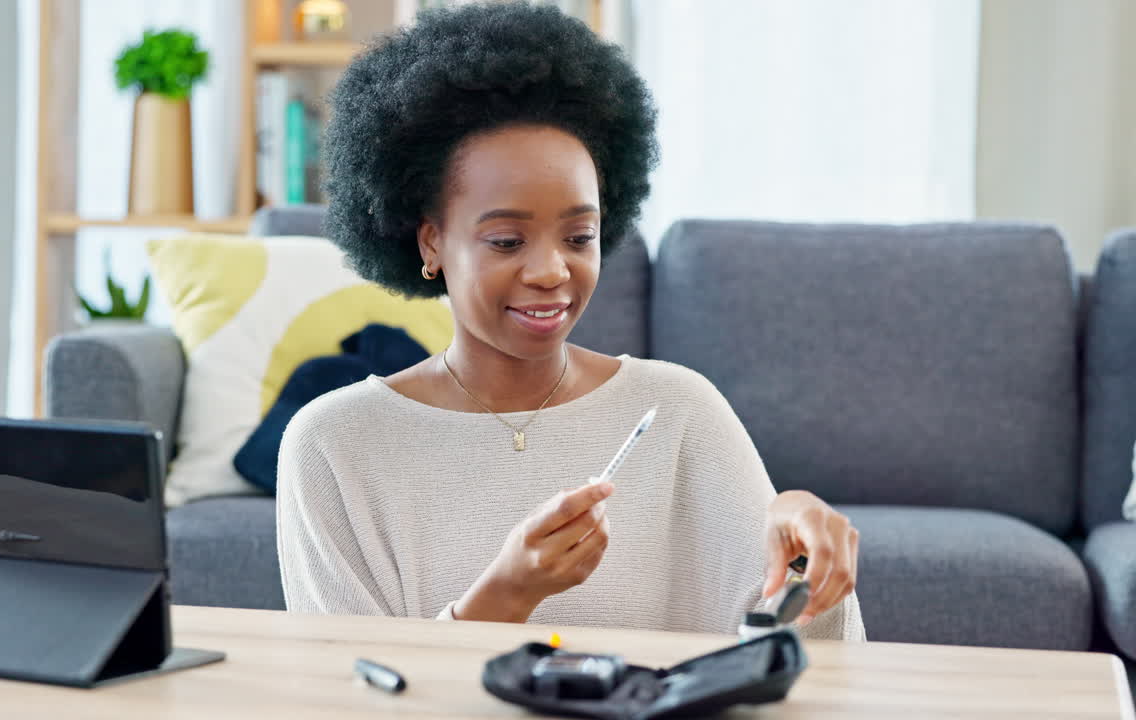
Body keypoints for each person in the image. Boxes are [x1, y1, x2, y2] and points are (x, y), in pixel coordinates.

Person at [277, 1, 865, 640]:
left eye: (579, 237)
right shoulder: (333, 444)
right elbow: (348, 682)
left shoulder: (679, 410)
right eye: (507, 241)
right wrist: (505, 597)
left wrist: (804, 559)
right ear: (431, 242)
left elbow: (793, 658)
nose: (551, 271)